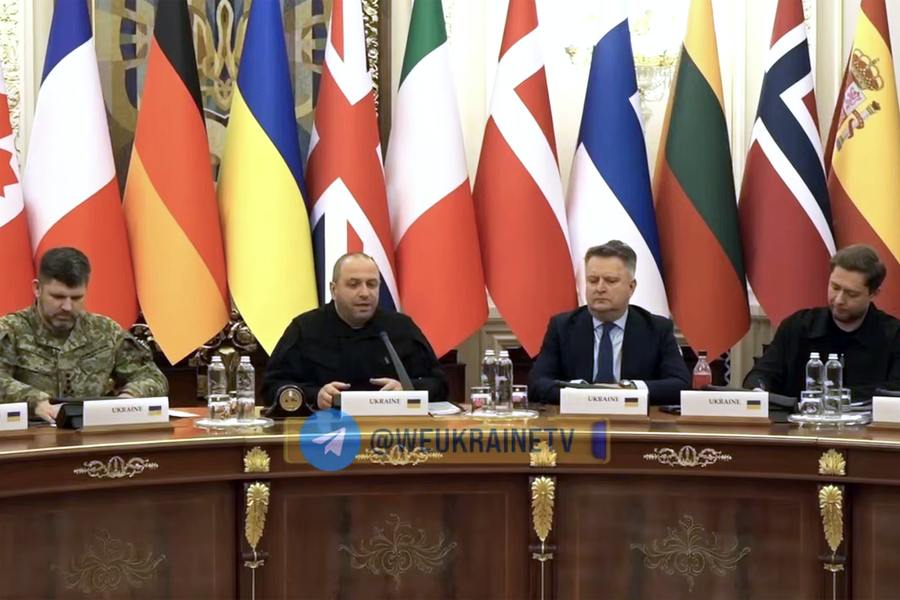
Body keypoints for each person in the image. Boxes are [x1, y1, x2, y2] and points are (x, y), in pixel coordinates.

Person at [262, 252, 449, 416]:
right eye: (353, 285)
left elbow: (439, 385)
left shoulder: (401, 328)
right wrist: (315, 396)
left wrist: (406, 390)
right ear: (334, 290)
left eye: (372, 284)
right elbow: (271, 387)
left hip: (389, 433)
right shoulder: (305, 329)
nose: (365, 293)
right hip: (324, 433)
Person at [0, 247, 168, 422]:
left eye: (76, 298)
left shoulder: (105, 331)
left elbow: (153, 377)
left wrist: (128, 400)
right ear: (37, 289)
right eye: (58, 297)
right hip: (32, 430)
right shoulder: (11, 330)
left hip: (93, 430)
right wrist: (34, 401)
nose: (67, 307)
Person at [528, 241, 690, 405]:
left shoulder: (657, 329)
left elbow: (680, 385)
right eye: (593, 280)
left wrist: (627, 389)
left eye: (610, 281)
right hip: (579, 417)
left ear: (631, 288)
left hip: (633, 417)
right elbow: (536, 385)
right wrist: (584, 392)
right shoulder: (562, 327)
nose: (600, 288)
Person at [743, 244, 900, 400]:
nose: (839, 300)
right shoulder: (797, 326)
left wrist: (832, 398)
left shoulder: (894, 336)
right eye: (835, 287)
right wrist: (758, 389)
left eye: (852, 294)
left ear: (874, 294)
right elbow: (763, 374)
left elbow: (895, 390)